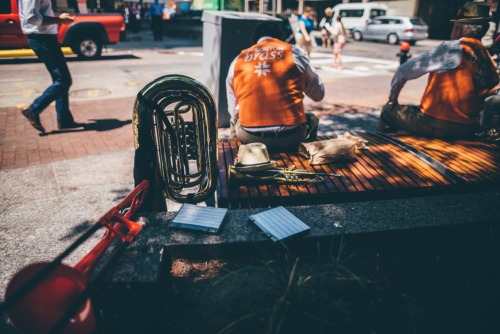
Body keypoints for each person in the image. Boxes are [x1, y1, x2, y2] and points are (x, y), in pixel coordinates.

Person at [376, 1, 499, 139]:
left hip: (437, 125)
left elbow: (403, 71)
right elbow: (491, 89)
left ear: (458, 29)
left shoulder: (453, 48)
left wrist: (393, 99)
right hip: (469, 128)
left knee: (388, 111)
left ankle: (382, 150)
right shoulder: (487, 59)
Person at [226, 21, 325, 151]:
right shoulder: (295, 52)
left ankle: (237, 155)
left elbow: (233, 110)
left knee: (234, 119)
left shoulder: (239, 59)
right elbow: (318, 95)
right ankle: (308, 157)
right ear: (280, 37)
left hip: (250, 137)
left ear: (255, 40)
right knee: (312, 119)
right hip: (292, 135)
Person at [18, 0, 80, 133]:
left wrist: (59, 20)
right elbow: (32, 18)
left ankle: (64, 120)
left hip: (46, 38)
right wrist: (59, 20)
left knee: (60, 80)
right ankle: (33, 109)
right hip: (42, 39)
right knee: (63, 80)